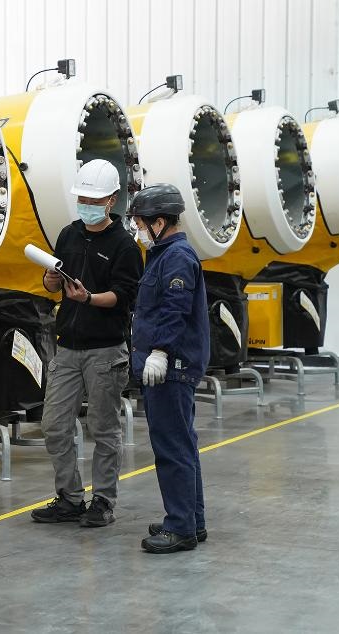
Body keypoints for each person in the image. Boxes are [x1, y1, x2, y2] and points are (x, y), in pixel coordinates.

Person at [31, 159, 143, 528]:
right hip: (67, 347)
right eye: (82, 199)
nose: (87, 205)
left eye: (94, 200)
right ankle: (70, 497)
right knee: (54, 424)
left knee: (104, 428)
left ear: (112, 200)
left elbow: (125, 297)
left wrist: (89, 298)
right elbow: (53, 284)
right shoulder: (69, 235)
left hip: (105, 352)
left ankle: (104, 501)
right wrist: (50, 281)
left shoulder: (124, 245)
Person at [127, 184, 210, 553]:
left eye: (140, 224)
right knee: (183, 444)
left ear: (159, 223)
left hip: (171, 367)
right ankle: (191, 520)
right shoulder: (164, 254)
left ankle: (180, 528)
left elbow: (174, 310)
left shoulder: (176, 257)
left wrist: (159, 352)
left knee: (172, 446)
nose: (138, 231)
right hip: (171, 364)